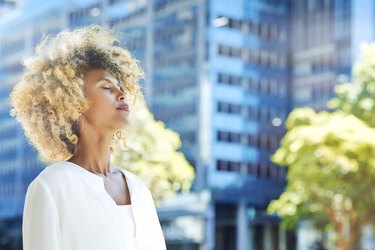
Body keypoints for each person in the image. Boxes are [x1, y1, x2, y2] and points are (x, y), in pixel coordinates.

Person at [9, 25, 166, 250]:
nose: (121, 94)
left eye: (120, 87)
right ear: (74, 103)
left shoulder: (139, 189)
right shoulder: (51, 186)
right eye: (105, 87)